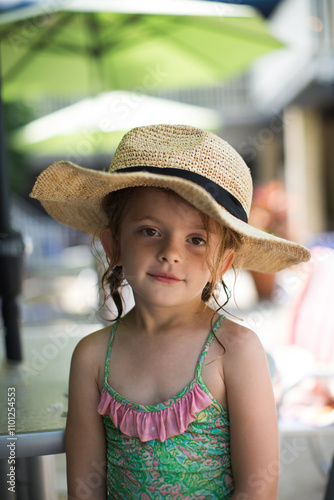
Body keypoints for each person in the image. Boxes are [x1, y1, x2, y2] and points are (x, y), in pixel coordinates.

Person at [30, 124, 310, 500]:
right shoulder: (93, 357)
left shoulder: (237, 351)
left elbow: (258, 490)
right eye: (149, 231)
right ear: (112, 244)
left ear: (222, 263)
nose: (171, 253)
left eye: (196, 240)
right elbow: (85, 489)